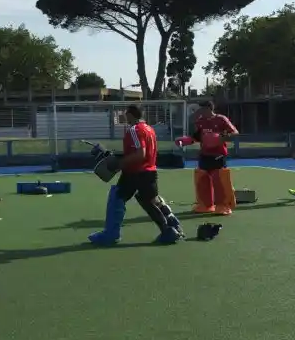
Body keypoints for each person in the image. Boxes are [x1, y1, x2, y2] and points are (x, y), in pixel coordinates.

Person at [88, 105, 183, 245]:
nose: (125, 117)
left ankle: (111, 234)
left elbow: (140, 154)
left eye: (126, 114)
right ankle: (172, 225)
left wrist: (119, 164)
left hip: (135, 173)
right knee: (150, 200)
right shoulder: (149, 129)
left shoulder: (134, 130)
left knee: (117, 197)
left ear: (130, 115)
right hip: (149, 171)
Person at [178, 100, 238, 215]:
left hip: (218, 154)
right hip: (204, 154)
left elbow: (234, 132)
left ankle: (223, 205)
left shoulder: (221, 119)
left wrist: (220, 137)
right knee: (202, 178)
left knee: (219, 179)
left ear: (209, 108)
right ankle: (205, 205)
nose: (200, 112)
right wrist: (186, 141)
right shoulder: (200, 121)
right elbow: (197, 137)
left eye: (202, 109)